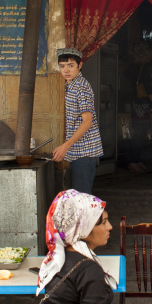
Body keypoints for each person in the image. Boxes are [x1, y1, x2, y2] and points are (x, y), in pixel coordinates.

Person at [52, 47, 103, 194]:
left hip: (85, 151)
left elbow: (87, 121)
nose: (66, 70)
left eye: (71, 65)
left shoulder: (81, 87)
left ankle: (92, 218)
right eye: (62, 66)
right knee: (78, 196)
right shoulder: (70, 84)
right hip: (77, 150)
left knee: (82, 197)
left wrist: (65, 146)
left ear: (80, 66)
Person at [124, 42, 152, 173]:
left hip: (136, 104)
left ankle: (137, 160)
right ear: (144, 55)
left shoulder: (131, 68)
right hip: (142, 105)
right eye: (149, 54)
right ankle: (132, 162)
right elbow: (148, 88)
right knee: (139, 135)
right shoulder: (143, 68)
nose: (151, 56)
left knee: (140, 134)